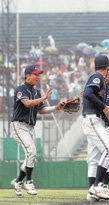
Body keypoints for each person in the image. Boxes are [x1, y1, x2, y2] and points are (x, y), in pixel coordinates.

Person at [10, 65, 64, 196]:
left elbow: (41, 110)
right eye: (35, 74)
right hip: (19, 126)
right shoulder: (20, 89)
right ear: (27, 75)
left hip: (30, 127)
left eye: (39, 74)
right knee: (31, 152)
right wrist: (44, 98)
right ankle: (28, 182)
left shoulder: (36, 91)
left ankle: (17, 181)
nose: (38, 77)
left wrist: (56, 108)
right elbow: (27, 103)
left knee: (32, 156)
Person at [82, 55, 109, 201]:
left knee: (96, 157)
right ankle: (96, 186)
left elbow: (89, 94)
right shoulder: (97, 77)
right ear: (108, 67)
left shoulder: (97, 78)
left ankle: (92, 194)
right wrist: (104, 106)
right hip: (92, 119)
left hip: (96, 120)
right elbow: (88, 94)